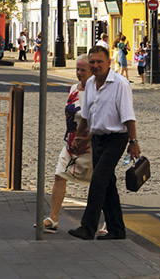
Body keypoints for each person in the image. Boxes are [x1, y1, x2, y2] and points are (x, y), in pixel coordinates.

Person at [68, 45, 140, 241]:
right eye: (92, 62)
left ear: (109, 62)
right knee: (108, 185)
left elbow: (129, 117)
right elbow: (86, 115)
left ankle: (87, 227)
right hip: (97, 139)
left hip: (116, 139)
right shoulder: (91, 83)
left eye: (100, 61)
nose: (96, 65)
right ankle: (117, 230)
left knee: (98, 180)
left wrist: (133, 142)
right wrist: (79, 137)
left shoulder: (120, 84)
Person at [43, 57, 106, 235]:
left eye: (82, 70)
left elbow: (101, 119)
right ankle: (53, 218)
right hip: (71, 142)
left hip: (90, 145)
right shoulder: (73, 89)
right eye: (77, 69)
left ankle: (108, 221)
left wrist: (85, 137)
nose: (78, 73)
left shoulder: (98, 91)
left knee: (101, 183)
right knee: (59, 175)